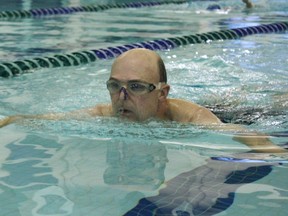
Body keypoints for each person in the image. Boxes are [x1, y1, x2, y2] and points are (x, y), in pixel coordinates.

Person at [0, 48, 286, 153]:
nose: (121, 98)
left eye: (135, 87)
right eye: (115, 86)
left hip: (237, 113)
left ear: (162, 93)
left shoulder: (188, 119)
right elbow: (53, 119)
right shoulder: (106, 113)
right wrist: (10, 119)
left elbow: (248, 135)